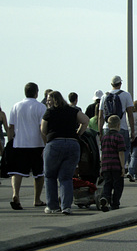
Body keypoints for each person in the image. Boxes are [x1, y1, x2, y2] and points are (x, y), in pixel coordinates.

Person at [41, 91, 89, 214]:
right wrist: (78, 134)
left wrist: (47, 140)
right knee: (66, 177)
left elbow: (43, 129)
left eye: (48, 99)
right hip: (73, 144)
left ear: (54, 100)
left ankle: (52, 206)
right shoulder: (72, 110)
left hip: (55, 144)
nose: (47, 102)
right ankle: (66, 206)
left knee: (50, 176)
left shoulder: (50, 112)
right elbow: (85, 120)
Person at [7, 82, 47, 210]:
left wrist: (11, 140)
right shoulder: (41, 107)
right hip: (37, 144)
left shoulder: (16, 106)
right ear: (36, 92)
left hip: (19, 143)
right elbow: (42, 127)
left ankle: (15, 194)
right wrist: (45, 143)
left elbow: (11, 127)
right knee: (39, 174)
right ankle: (37, 199)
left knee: (17, 172)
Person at [98, 76, 135, 168]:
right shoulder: (126, 95)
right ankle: (121, 166)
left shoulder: (104, 96)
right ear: (120, 84)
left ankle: (110, 167)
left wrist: (100, 131)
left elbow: (100, 116)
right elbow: (130, 114)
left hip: (107, 127)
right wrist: (132, 130)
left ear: (111, 84)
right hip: (122, 127)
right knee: (125, 148)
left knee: (108, 150)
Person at [99, 115, 126, 212]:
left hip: (106, 165)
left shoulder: (104, 137)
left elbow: (102, 152)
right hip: (116, 165)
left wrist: (101, 165)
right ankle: (115, 203)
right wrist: (122, 167)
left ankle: (105, 198)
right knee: (118, 185)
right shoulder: (119, 137)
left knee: (107, 184)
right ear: (118, 125)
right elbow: (121, 153)